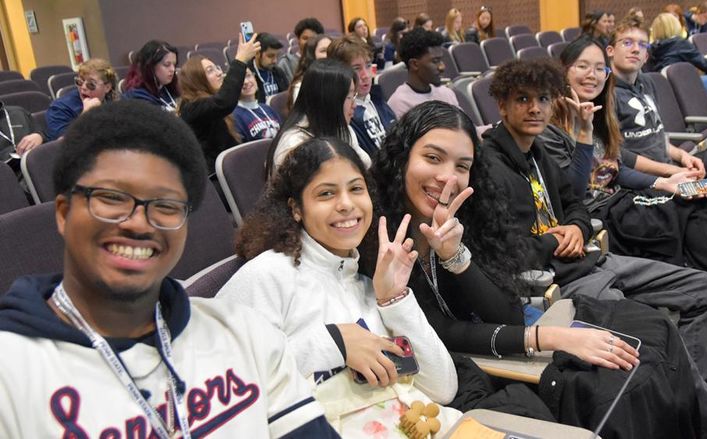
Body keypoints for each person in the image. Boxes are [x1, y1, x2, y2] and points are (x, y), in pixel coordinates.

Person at [370, 100, 707, 438]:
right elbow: (444, 333)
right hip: (480, 370)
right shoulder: (382, 238)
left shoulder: (465, 215)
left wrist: (456, 256)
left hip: (518, 328)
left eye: (462, 166)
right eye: (433, 159)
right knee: (633, 377)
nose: (448, 178)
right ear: (402, 157)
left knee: (654, 331)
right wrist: (548, 338)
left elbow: (507, 309)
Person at [0, 99, 338, 437]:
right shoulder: (11, 373)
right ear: (63, 213)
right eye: (111, 198)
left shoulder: (243, 332)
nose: (137, 223)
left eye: (165, 204)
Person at [482, 58, 707, 388]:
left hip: (592, 258)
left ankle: (692, 391)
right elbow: (504, 251)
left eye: (542, 99)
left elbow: (576, 204)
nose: (535, 108)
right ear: (502, 105)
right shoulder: (489, 168)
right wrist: (557, 241)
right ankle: (686, 397)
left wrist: (577, 228)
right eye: (523, 99)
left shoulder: (536, 152)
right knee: (655, 330)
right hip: (560, 279)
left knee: (706, 289)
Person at [218, 137, 458, 435]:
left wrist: (395, 301)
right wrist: (334, 343)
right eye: (326, 193)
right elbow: (221, 387)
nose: (346, 204)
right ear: (296, 208)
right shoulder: (266, 276)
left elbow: (443, 389)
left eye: (356, 189)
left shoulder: (371, 284)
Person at [540, 36, 707, 325]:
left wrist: (664, 182)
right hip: (596, 216)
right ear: (564, 71)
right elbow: (572, 192)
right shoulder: (551, 125)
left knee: (693, 197)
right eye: (582, 66)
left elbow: (615, 166)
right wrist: (583, 135)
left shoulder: (597, 114)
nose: (592, 75)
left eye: (600, 68)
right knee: (689, 209)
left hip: (617, 199)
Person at [608, 17, 707, 285]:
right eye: (627, 43)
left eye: (641, 44)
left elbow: (657, 135)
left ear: (647, 54)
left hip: (673, 165)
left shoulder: (646, 83)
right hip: (650, 184)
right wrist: (674, 170)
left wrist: (683, 156)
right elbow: (621, 158)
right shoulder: (608, 93)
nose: (635, 49)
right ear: (610, 50)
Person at [267, 59, 368, 174]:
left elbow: (365, 167)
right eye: (349, 97)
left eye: (354, 95)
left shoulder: (342, 129)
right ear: (329, 99)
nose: (354, 105)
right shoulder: (294, 145)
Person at [178, 34, 261, 173]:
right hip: (213, 179)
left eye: (217, 68)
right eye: (210, 71)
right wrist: (240, 59)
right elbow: (224, 102)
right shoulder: (191, 107)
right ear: (196, 79)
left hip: (230, 172)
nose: (219, 73)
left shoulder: (211, 104)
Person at [648, 13, 707, 104]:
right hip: (683, 85)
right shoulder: (679, 44)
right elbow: (703, 63)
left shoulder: (653, 48)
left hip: (667, 87)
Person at [329, 35, 396, 156]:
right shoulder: (343, 115)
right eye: (356, 68)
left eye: (368, 65)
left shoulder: (377, 99)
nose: (366, 75)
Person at [387, 28, 458, 119]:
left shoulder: (446, 94)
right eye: (435, 61)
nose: (442, 67)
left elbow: (467, 129)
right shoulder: (399, 104)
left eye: (441, 60)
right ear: (414, 64)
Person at [46, 58, 118, 140]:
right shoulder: (59, 108)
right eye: (80, 82)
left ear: (107, 87)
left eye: (91, 84)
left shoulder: (113, 101)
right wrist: (86, 114)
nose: (83, 87)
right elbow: (63, 144)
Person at [123, 40, 179, 112]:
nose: (173, 69)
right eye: (167, 65)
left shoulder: (167, 88)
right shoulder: (137, 97)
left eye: (174, 65)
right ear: (150, 67)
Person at [232, 69, 282, 143]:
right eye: (240, 79)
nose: (246, 82)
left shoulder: (267, 108)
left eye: (248, 76)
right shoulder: (235, 116)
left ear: (254, 78)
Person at [287, 34, 332, 108]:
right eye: (323, 51)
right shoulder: (301, 87)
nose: (329, 55)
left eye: (331, 50)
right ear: (311, 56)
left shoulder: (338, 80)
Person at [278, 18, 324, 83]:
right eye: (305, 38)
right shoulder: (286, 63)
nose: (308, 42)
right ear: (298, 40)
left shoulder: (323, 62)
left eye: (312, 39)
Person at [250, 33, 290, 103]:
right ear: (257, 53)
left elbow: (288, 98)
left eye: (277, 56)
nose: (275, 61)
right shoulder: (248, 75)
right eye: (270, 56)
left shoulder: (278, 72)